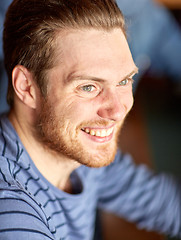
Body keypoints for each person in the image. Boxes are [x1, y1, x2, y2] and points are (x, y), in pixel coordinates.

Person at [0, 0, 180, 240]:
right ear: (27, 87)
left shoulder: (78, 153)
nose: (117, 111)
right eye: (88, 87)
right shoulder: (12, 214)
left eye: (125, 81)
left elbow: (161, 202)